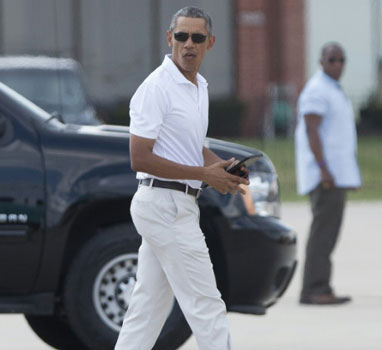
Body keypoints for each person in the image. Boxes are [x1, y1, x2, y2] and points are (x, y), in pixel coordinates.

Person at [114, 6, 248, 350]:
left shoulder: (198, 86)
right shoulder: (156, 88)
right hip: (164, 204)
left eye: (197, 38)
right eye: (182, 36)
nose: (189, 44)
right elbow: (138, 157)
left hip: (174, 205)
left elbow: (191, 147)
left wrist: (224, 169)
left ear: (210, 43)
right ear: (169, 38)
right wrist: (205, 175)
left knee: (147, 310)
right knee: (207, 305)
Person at [295, 42, 361, 305]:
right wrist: (324, 170)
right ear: (321, 61)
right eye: (332, 59)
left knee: (328, 233)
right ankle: (314, 288)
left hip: (335, 175)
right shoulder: (317, 90)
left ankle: (319, 286)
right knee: (323, 233)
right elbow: (312, 131)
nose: (338, 64)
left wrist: (349, 175)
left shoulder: (332, 89)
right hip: (325, 177)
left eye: (342, 60)